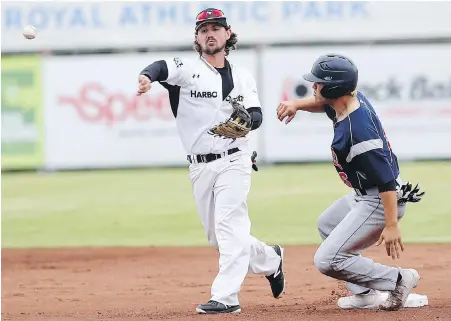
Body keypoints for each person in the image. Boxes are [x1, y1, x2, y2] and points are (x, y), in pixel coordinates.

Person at [136, 8, 285, 315]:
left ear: (228, 34)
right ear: (197, 37)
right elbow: (161, 66)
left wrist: (247, 121)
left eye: (216, 28)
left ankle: (226, 297)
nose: (210, 33)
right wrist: (146, 77)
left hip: (235, 159)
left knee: (230, 225)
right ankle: (271, 259)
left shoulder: (243, 75)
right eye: (204, 29)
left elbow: (255, 114)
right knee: (218, 237)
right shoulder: (187, 69)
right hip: (200, 164)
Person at [276, 54, 425, 311]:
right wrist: (297, 105)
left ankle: (399, 279)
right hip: (365, 194)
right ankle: (365, 294)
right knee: (327, 224)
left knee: (327, 259)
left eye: (319, 82)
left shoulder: (359, 132)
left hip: (380, 198)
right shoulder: (348, 100)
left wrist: (391, 225)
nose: (314, 86)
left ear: (334, 88)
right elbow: (322, 104)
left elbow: (386, 180)